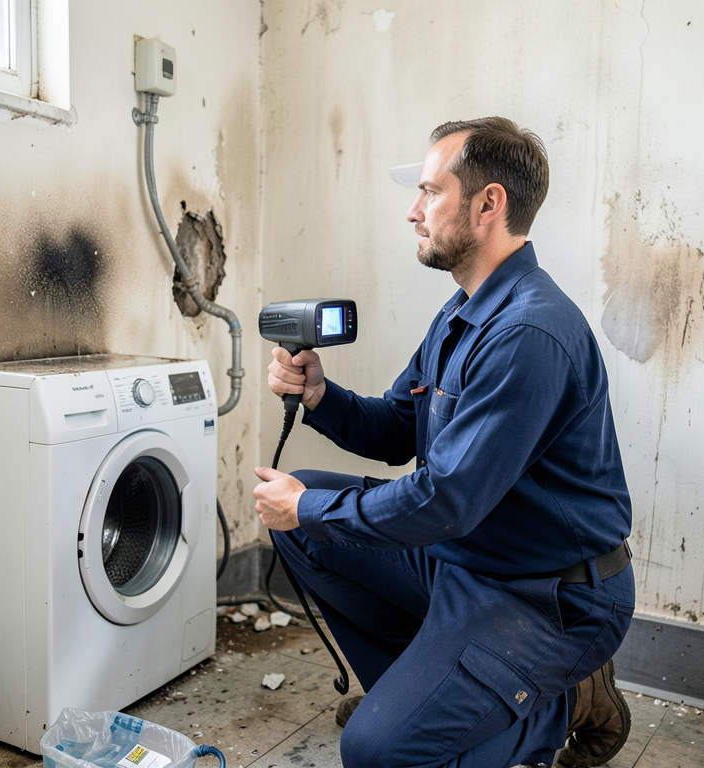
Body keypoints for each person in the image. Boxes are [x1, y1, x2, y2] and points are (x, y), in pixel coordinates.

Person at [252, 117, 635, 768]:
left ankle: (564, 702)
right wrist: (319, 396)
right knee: (307, 519)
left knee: (374, 753)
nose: (413, 211)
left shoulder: (527, 334)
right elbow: (398, 429)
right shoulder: (462, 315)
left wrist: (306, 507)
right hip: (466, 562)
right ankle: (419, 695)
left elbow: (446, 499)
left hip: (547, 597)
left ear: (489, 204)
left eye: (430, 192)